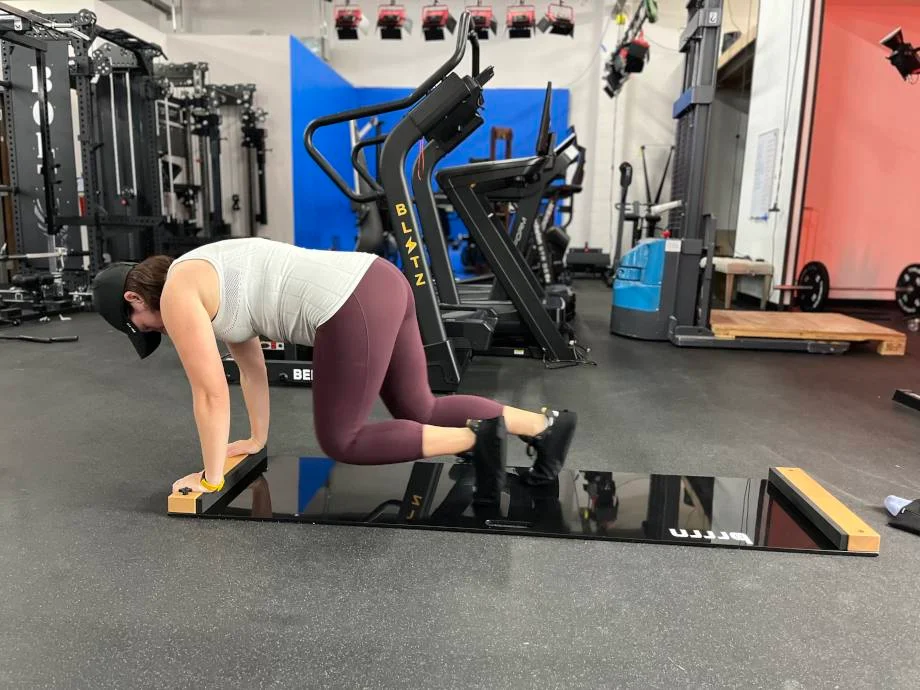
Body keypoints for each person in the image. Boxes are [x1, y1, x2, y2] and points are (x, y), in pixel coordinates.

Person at [91, 237, 577, 497]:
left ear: (135, 298)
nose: (155, 331)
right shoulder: (202, 271)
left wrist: (212, 480)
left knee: (343, 439)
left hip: (349, 304)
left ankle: (479, 440)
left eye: (143, 326)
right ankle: (544, 427)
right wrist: (257, 439)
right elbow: (250, 367)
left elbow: (210, 393)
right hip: (381, 279)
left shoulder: (178, 292)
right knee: (418, 403)